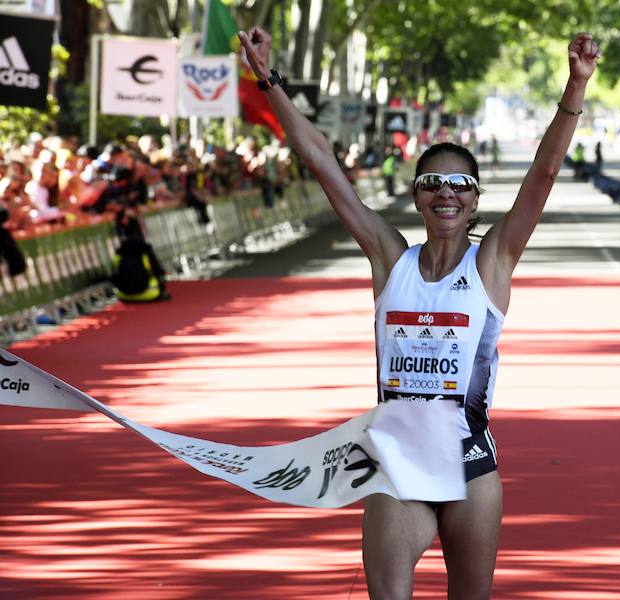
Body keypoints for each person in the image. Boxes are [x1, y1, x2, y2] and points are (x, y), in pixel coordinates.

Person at [238, 26, 598, 599]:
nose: (446, 193)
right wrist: (267, 78)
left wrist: (576, 86)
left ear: (475, 199)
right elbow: (321, 162)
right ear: (416, 196)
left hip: (470, 467)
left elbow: (543, 174)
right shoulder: (389, 257)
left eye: (460, 184)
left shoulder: (493, 262)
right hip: (397, 464)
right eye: (433, 182)